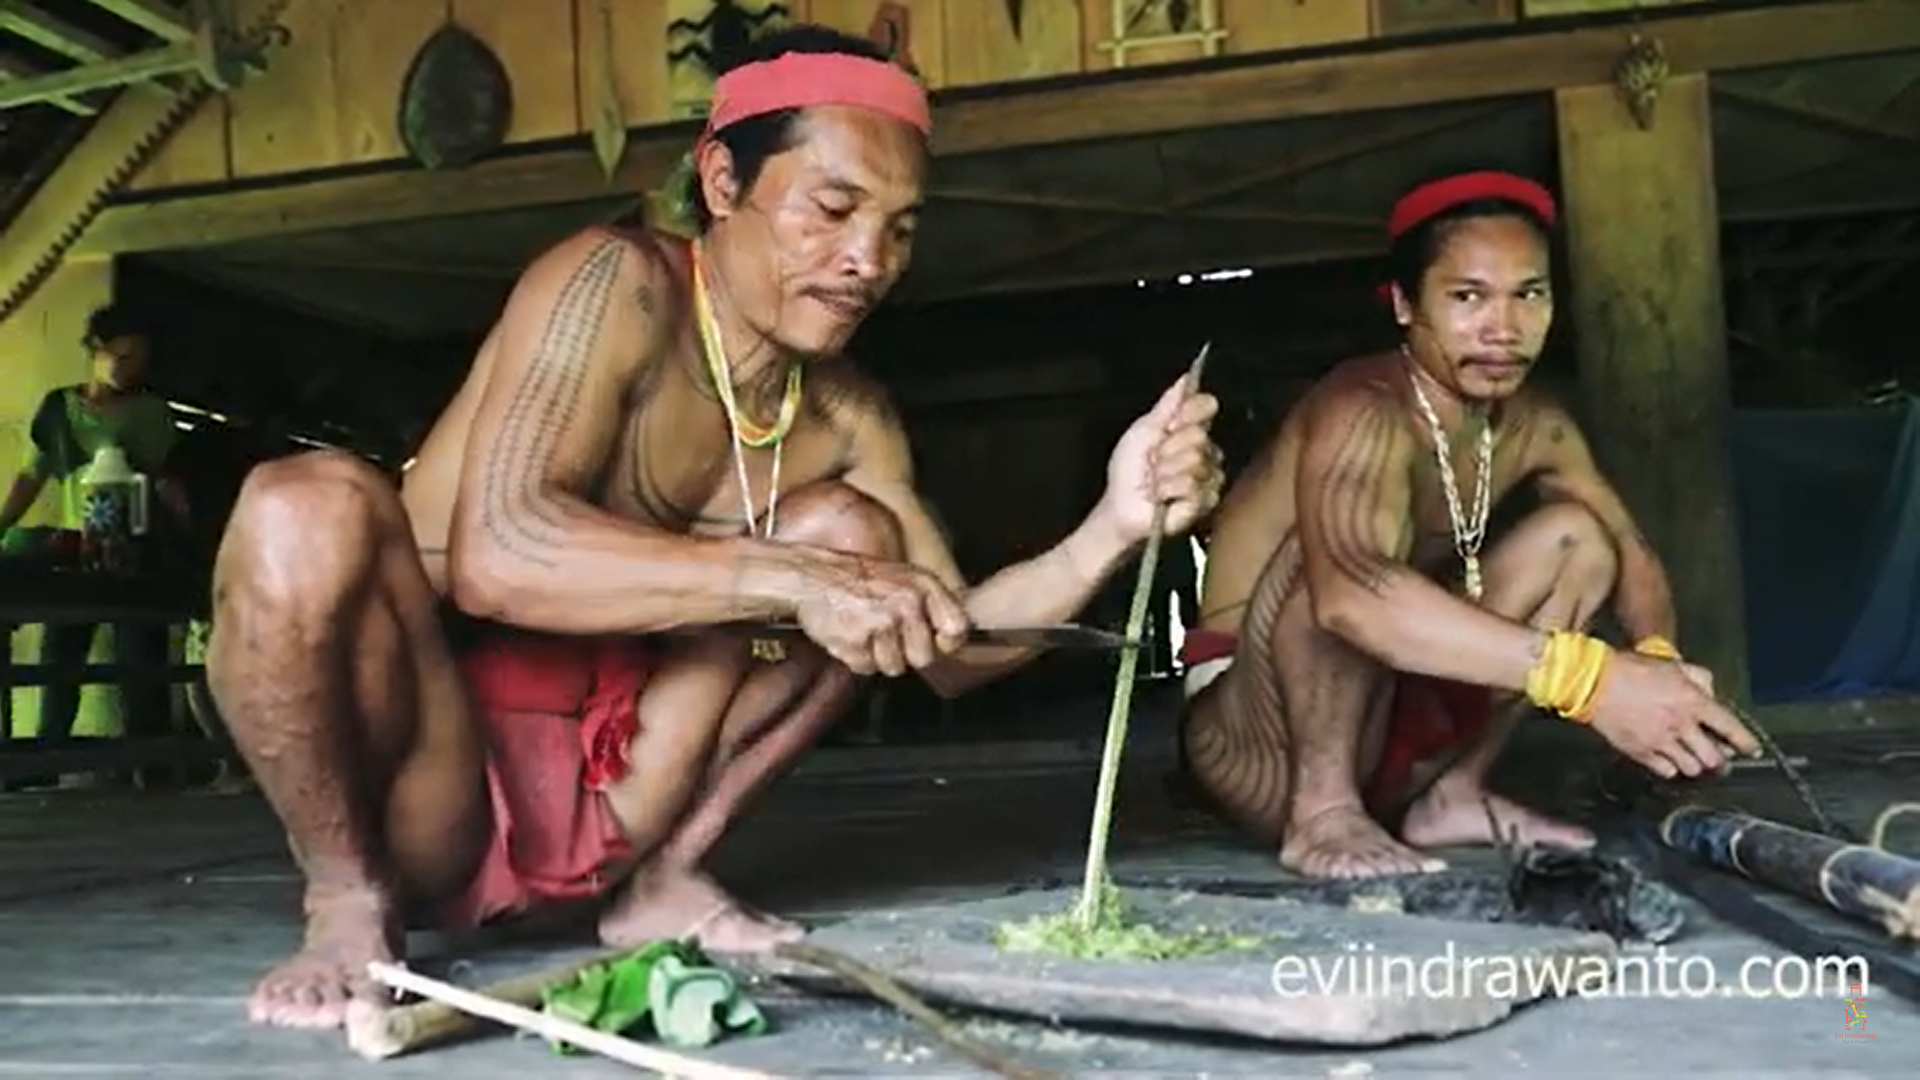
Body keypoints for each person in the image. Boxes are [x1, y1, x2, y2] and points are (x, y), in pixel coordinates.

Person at [206, 25, 1224, 1030]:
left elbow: (947, 644)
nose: (868, 260)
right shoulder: (612, 286)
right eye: (832, 209)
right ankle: (345, 901)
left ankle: (660, 879)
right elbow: (499, 559)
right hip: (431, 781)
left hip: (625, 797)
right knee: (304, 504)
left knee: (852, 534)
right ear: (724, 183)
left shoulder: (847, 415)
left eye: (902, 228)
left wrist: (1114, 523)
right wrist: (795, 580)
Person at [1176, 170, 1760, 881]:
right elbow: (1348, 598)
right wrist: (1591, 680)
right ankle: (1325, 815)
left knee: (1577, 538)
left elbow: (1630, 550)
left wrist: (1657, 664)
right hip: (1257, 745)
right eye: (1467, 297)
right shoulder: (1361, 407)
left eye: (1529, 294)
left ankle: (1450, 795)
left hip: (1383, 711)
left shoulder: (1535, 423)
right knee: (1335, 556)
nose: (1504, 329)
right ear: (1402, 306)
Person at [0, 305, 191, 776]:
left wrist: (182, 520)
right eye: (121, 356)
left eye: (139, 359)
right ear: (94, 350)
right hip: (72, 546)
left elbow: (165, 480)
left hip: (132, 550)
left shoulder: (152, 413)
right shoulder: (58, 410)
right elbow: (31, 475)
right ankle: (42, 765)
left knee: (139, 661)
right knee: (62, 658)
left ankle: (150, 768)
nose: (130, 368)